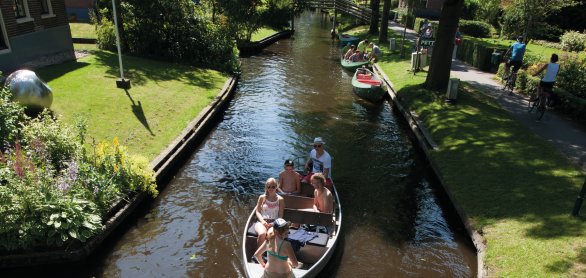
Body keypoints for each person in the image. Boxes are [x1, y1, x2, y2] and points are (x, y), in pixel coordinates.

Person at [254, 178, 285, 248]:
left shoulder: (280, 199)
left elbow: (280, 215)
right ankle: (259, 255)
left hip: (274, 223)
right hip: (261, 222)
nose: (271, 188)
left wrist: (274, 224)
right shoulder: (262, 197)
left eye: (273, 187)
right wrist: (263, 221)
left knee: (271, 234)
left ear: (276, 187)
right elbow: (257, 211)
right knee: (262, 234)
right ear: (266, 187)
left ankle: (268, 253)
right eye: (269, 187)